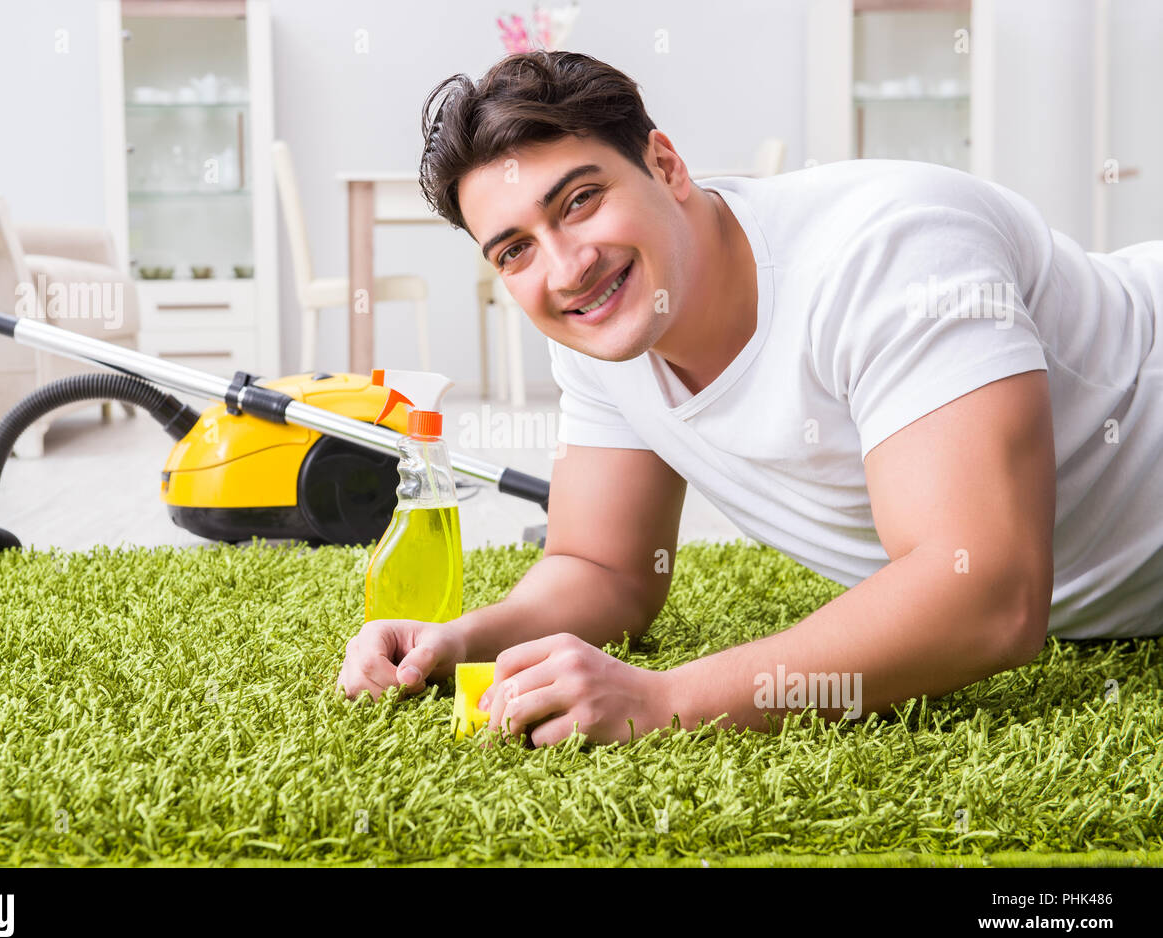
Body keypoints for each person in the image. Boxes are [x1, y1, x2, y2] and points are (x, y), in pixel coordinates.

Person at [337, 50, 1163, 747]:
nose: (565, 267)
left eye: (580, 201)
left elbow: (988, 593)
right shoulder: (603, 327)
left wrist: (667, 700)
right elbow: (605, 567)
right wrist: (459, 643)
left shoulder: (893, 252)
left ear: (665, 164)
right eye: (515, 249)